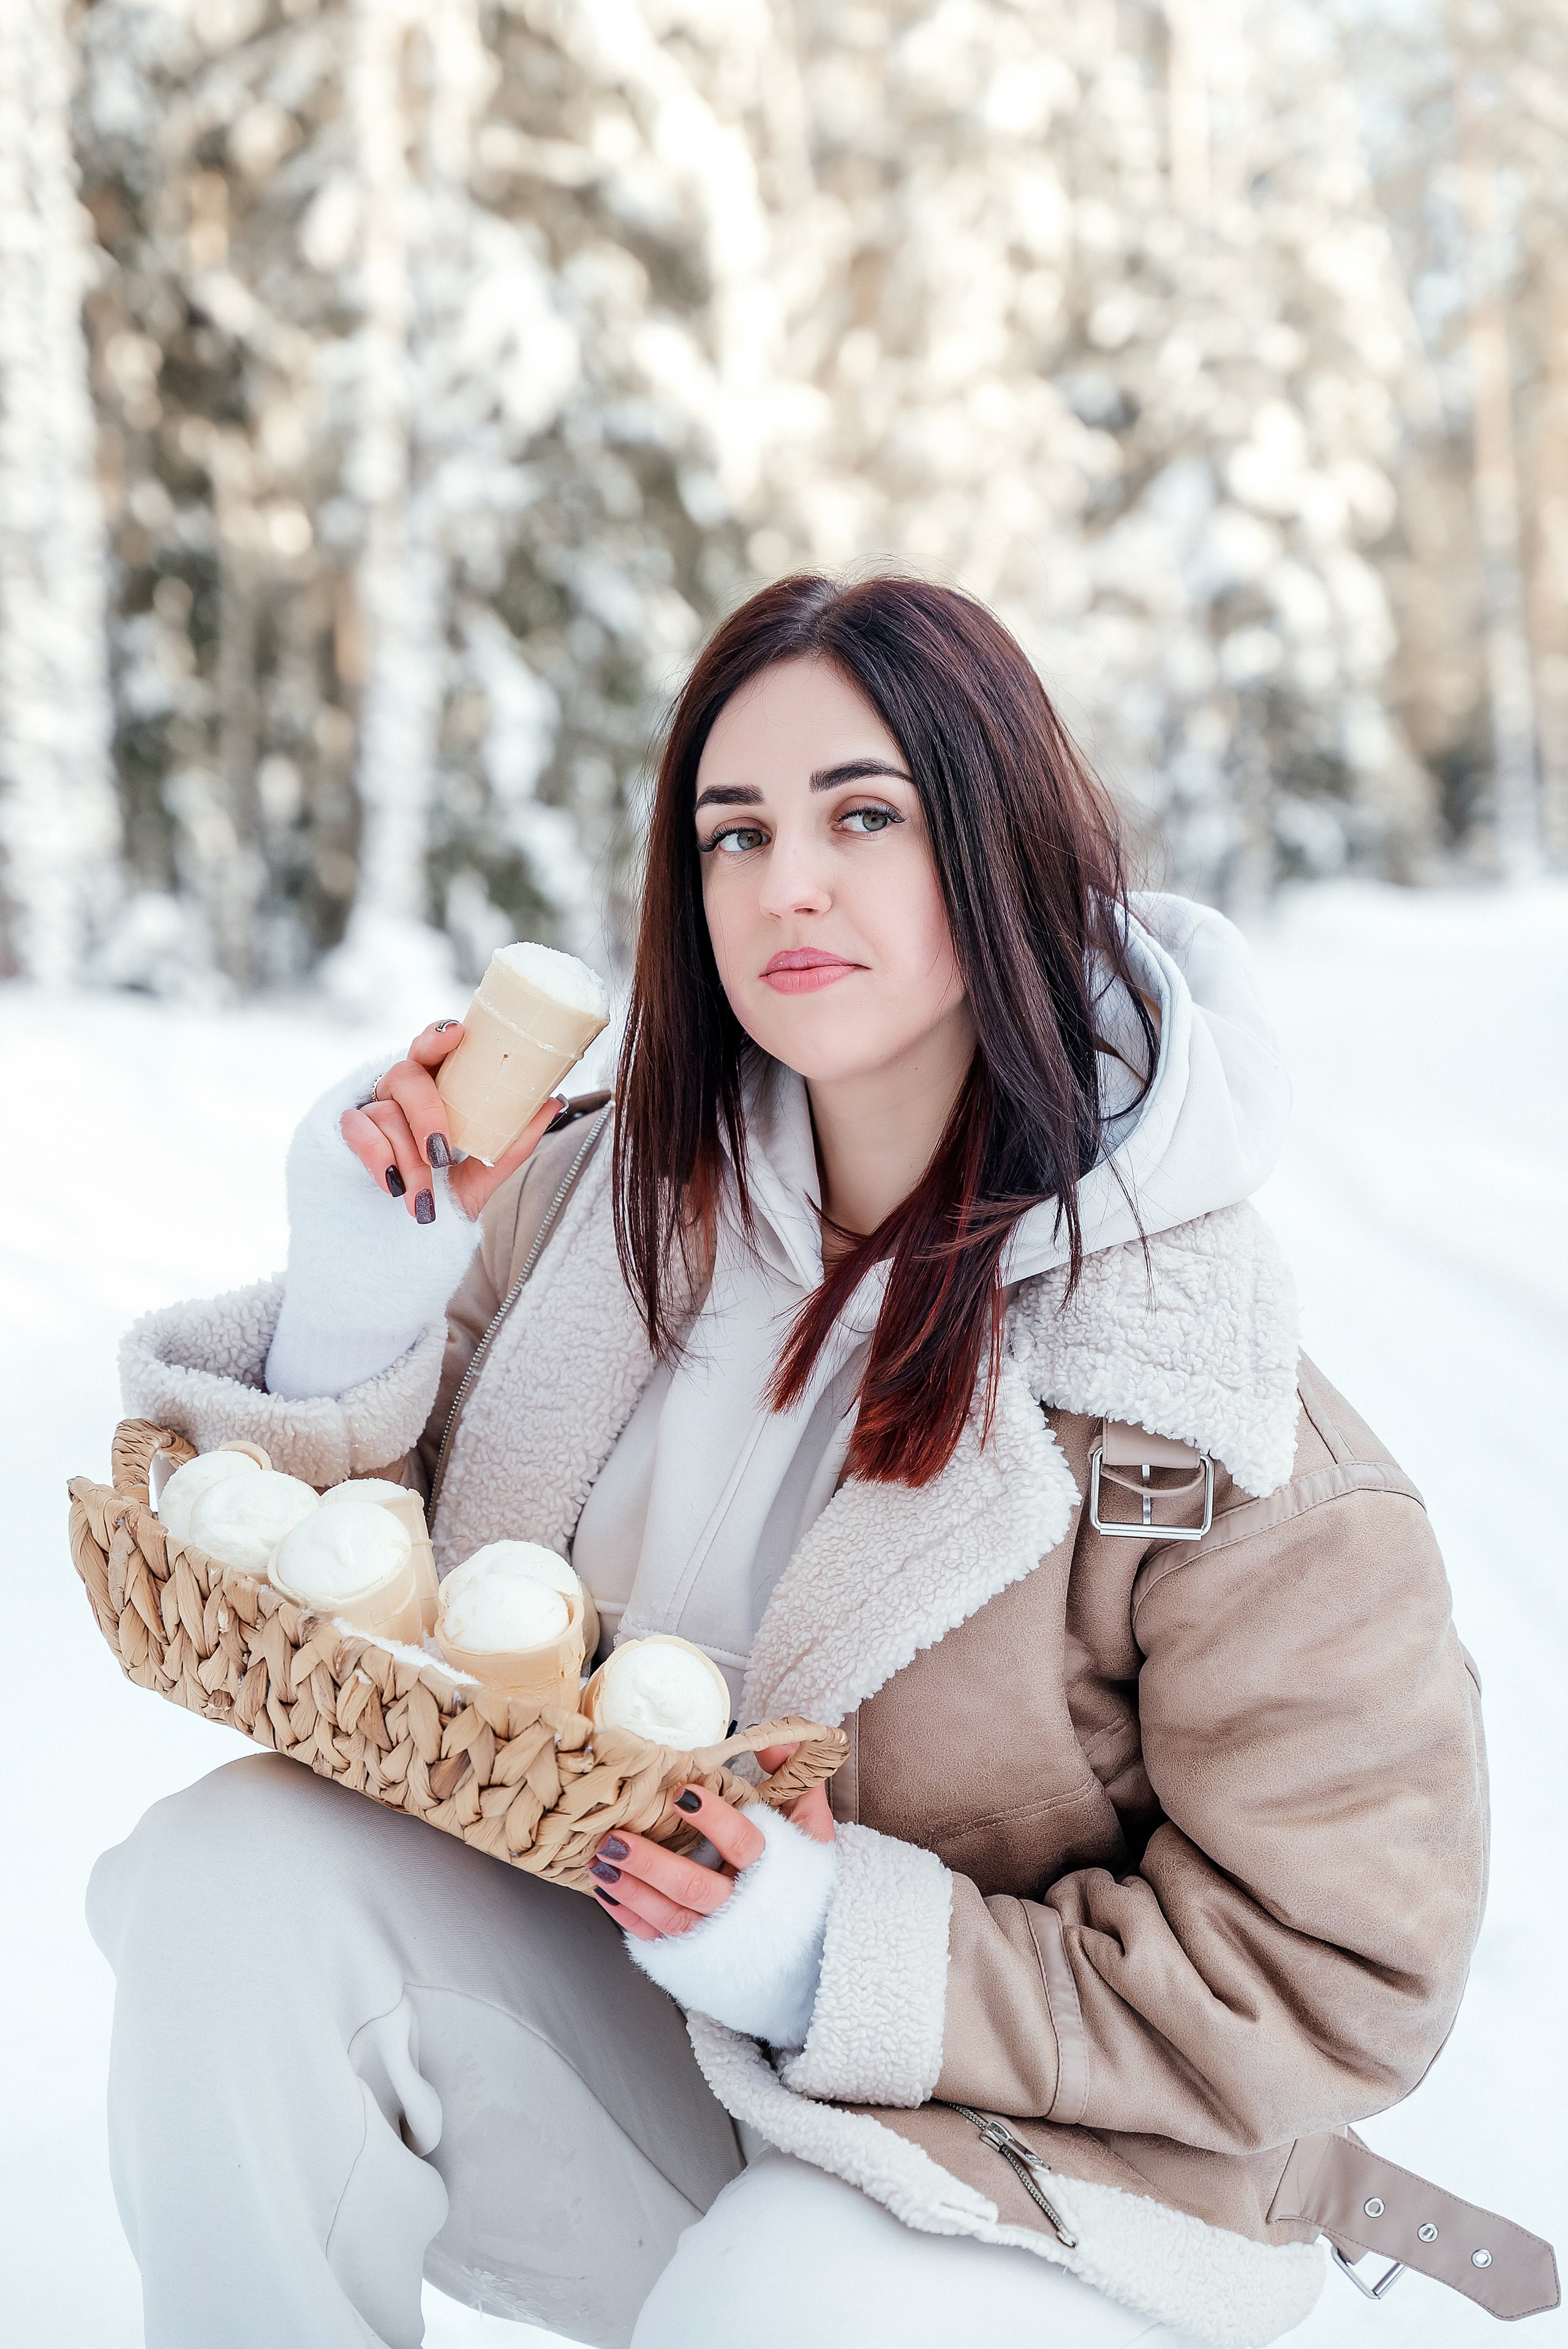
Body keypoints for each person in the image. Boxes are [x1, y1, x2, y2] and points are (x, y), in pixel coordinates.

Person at [96, 574, 1501, 2349]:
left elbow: (1338, 1972)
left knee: (774, 2297)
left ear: (999, 846)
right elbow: (381, 1640)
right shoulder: (602, 1212)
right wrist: (361, 1308)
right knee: (235, 1887)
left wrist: (845, 1950)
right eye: (735, 833)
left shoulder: (1204, 1404)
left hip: (1050, 2167)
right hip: (673, 2055)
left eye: (864, 816)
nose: (788, 886)